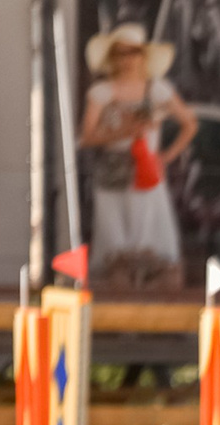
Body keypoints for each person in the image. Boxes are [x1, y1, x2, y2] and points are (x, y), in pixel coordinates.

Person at [79, 24, 194, 292]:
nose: (127, 59)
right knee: (114, 237)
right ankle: (117, 298)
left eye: (133, 53)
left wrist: (165, 157)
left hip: (146, 170)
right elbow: (87, 136)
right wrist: (122, 131)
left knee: (150, 234)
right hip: (112, 171)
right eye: (121, 53)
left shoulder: (157, 89)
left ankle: (153, 298)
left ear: (143, 56)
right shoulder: (102, 92)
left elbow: (189, 123)